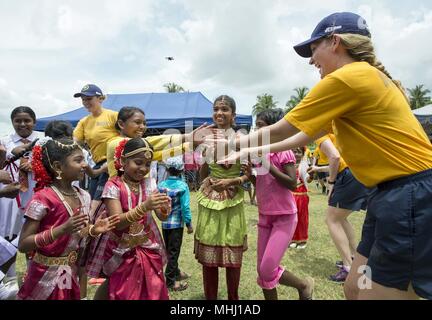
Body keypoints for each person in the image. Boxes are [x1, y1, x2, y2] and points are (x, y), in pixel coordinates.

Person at [220, 12, 432, 300]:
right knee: (355, 288)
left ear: (335, 42)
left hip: (410, 197)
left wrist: (233, 141)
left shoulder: (348, 78)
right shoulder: (363, 79)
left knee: (378, 295)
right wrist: (248, 149)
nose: (310, 60)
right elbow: (304, 135)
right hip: (390, 196)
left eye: (313, 49)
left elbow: (284, 128)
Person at [16, 138, 119, 300]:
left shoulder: (83, 195)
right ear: (58, 167)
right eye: (78, 160)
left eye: (84, 159)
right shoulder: (42, 199)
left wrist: (93, 230)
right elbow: (23, 244)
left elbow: (78, 233)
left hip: (68, 272)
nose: (85, 165)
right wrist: (61, 229)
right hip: (43, 274)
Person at [246, 109, 314, 300]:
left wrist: (268, 166)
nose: (257, 130)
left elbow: (292, 182)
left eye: (261, 126)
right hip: (265, 216)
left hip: (284, 217)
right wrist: (252, 175)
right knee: (263, 271)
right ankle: (303, 285)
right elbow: (262, 183)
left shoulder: (284, 151)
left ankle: (303, 285)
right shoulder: (258, 153)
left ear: (274, 128)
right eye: (256, 126)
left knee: (268, 269)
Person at [100, 138, 172, 300]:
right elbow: (117, 223)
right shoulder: (113, 186)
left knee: (153, 289)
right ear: (123, 161)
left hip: (147, 247)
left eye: (147, 164)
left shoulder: (150, 184)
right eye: (138, 162)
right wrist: (145, 206)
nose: (143, 169)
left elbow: (160, 216)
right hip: (121, 249)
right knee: (125, 292)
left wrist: (164, 209)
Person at [194, 95, 249, 300]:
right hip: (210, 198)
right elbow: (204, 169)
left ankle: (232, 299)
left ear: (233, 115)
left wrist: (231, 182)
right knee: (209, 255)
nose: (219, 113)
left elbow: (249, 175)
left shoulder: (242, 140)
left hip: (232, 199)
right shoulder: (207, 138)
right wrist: (205, 178)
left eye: (224, 109)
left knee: (232, 251)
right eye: (216, 109)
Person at [308, 134, 371, 282]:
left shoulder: (319, 129)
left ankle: (348, 267)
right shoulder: (336, 129)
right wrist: (319, 168)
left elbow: (335, 158)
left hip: (347, 176)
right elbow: (339, 159)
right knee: (341, 219)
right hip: (357, 172)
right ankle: (354, 257)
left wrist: (331, 182)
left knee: (332, 220)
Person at [0, 106, 39, 293]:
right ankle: (9, 282)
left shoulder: (43, 141)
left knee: (32, 238)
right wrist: (11, 152)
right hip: (9, 199)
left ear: (34, 122)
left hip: (34, 196)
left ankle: (33, 280)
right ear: (12, 122)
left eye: (27, 120)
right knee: (8, 238)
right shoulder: (5, 141)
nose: (22, 124)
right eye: (18, 121)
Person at [73, 84, 118, 212]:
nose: (86, 102)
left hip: (113, 162)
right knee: (91, 198)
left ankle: (90, 224)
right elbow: (75, 142)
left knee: (96, 203)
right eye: (83, 100)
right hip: (97, 165)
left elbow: (127, 135)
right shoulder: (84, 122)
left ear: (100, 98)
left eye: (89, 98)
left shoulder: (113, 116)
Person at [158, 156, 193, 292]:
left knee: (170, 250)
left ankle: (177, 272)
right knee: (174, 252)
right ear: (181, 170)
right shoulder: (183, 186)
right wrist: (189, 223)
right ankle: (171, 282)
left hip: (165, 223)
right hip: (177, 224)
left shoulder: (161, 185)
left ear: (167, 169)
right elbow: (185, 207)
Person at [290, 147, 310, 250]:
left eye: (299, 152)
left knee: (302, 218)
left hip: (301, 195)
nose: (296, 154)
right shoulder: (289, 164)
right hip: (291, 195)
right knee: (292, 218)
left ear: (302, 154)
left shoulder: (304, 165)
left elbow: (307, 179)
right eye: (294, 152)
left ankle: (302, 240)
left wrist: (311, 177)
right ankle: (293, 239)